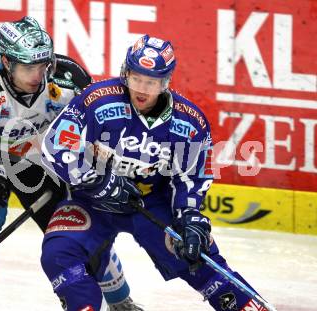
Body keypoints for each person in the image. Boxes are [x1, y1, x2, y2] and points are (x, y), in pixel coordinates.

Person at [0, 16, 141, 311]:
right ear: (6, 62)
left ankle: (118, 300)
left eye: (43, 65)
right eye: (28, 67)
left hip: (43, 157)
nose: (38, 75)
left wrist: (108, 165)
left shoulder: (68, 76)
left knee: (77, 223)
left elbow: (100, 130)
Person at [40, 34, 272, 310]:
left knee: (198, 257)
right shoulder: (97, 100)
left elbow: (193, 176)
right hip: (93, 202)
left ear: (166, 82)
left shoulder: (189, 122)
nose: (142, 88)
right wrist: (98, 181)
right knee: (58, 253)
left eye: (151, 82)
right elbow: (54, 146)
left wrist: (189, 217)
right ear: (125, 73)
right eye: (136, 78)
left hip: (151, 206)